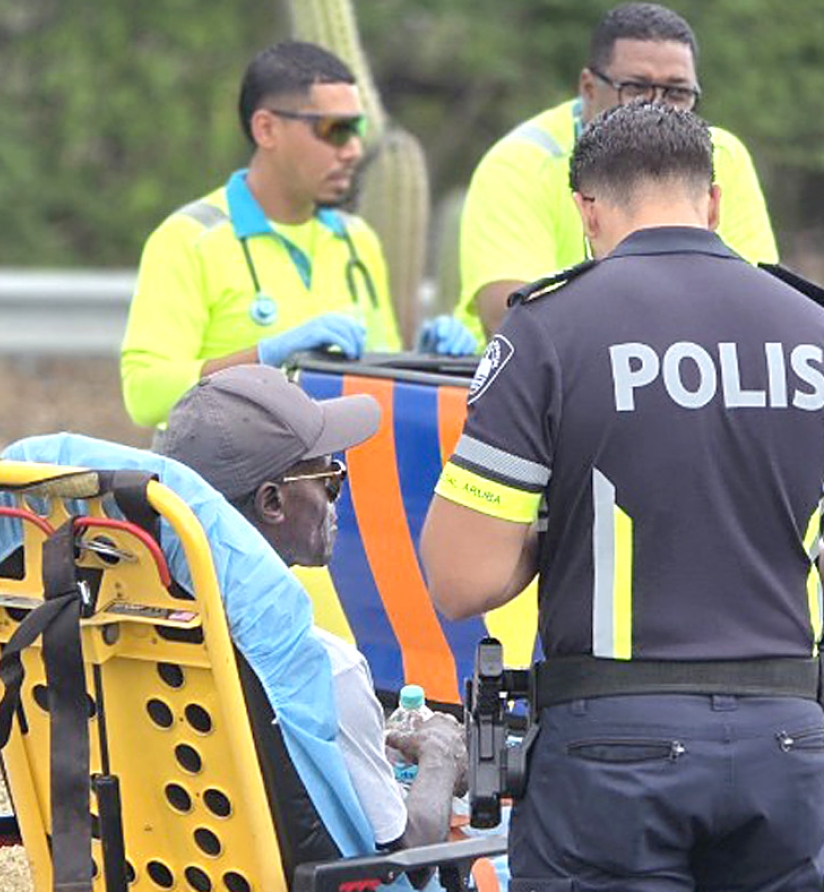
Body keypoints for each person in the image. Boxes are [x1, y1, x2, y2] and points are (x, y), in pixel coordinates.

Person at [421, 101, 824, 890]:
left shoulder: (548, 329)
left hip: (612, 754)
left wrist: (554, 527)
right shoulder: (812, 329)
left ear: (587, 210)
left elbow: (460, 579)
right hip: (793, 744)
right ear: (712, 201)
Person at [160, 365, 463, 852]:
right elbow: (407, 853)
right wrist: (441, 754)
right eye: (330, 476)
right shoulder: (324, 670)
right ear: (273, 502)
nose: (334, 495)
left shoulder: (128, 642)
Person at [451, 2, 778, 351]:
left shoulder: (725, 157)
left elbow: (759, 304)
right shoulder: (522, 162)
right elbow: (511, 319)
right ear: (589, 88)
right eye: (636, 88)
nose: (656, 106)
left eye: (677, 92)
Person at [120, 40, 402, 431]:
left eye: (358, 128)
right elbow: (144, 395)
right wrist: (265, 359)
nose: (353, 149)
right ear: (267, 129)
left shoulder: (358, 240)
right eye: (335, 130)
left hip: (339, 482)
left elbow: (382, 380)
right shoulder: (188, 239)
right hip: (223, 488)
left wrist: (429, 363)